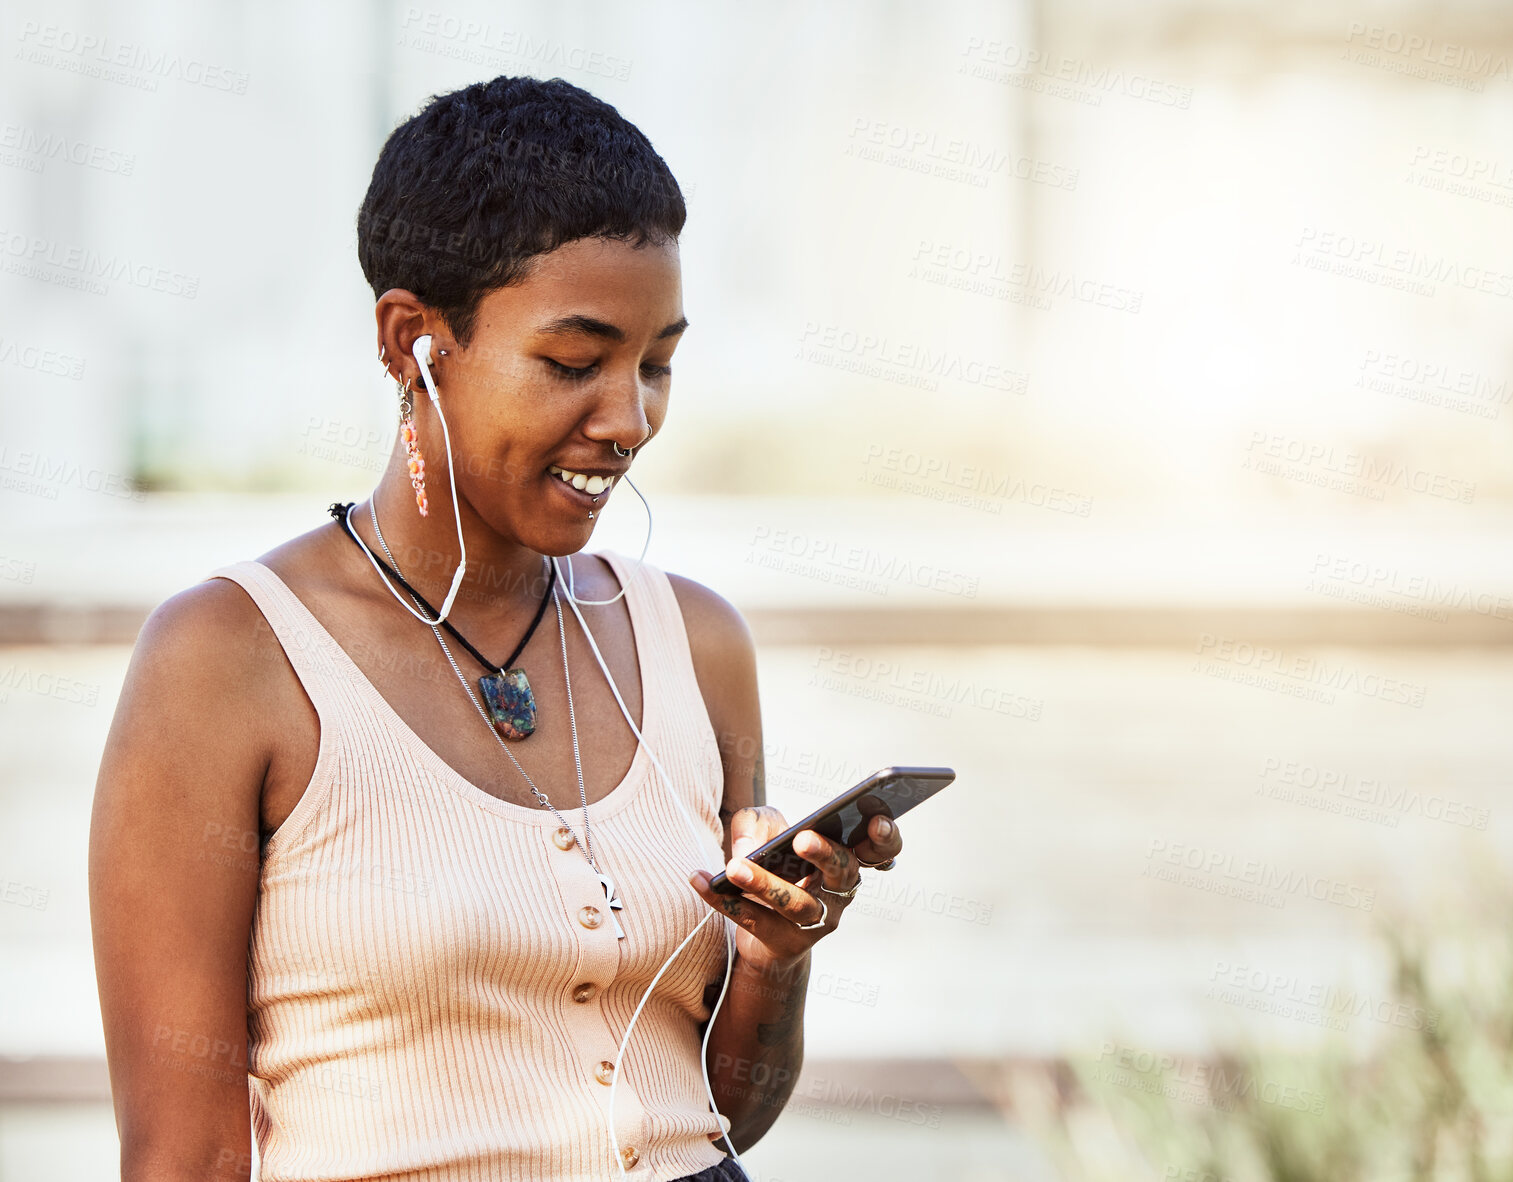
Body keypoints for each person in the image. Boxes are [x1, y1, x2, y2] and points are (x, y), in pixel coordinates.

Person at [88, 74, 903, 1182]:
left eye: (656, 362)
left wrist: (774, 956)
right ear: (412, 340)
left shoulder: (695, 644)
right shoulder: (229, 663)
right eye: (573, 363)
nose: (628, 421)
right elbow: (181, 1156)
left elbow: (724, 1115)